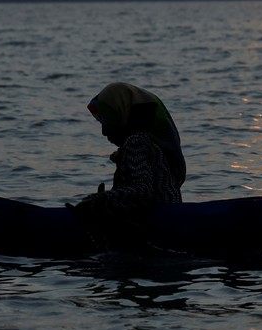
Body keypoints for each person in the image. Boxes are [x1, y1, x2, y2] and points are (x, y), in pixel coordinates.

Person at [73, 83, 185, 228]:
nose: (103, 132)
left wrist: (97, 200)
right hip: (170, 218)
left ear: (124, 115)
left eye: (107, 122)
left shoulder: (136, 142)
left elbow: (142, 192)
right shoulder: (151, 143)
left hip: (159, 225)